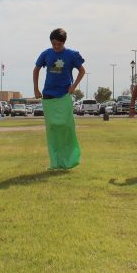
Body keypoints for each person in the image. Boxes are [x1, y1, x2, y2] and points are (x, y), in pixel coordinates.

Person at [33, 28, 85, 170]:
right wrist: (36, 89)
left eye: (59, 44)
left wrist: (73, 86)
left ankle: (69, 160)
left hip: (64, 95)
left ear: (64, 43)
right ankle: (55, 162)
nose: (56, 47)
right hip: (48, 95)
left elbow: (82, 70)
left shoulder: (71, 55)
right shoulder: (46, 54)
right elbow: (36, 69)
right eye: (54, 44)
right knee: (52, 129)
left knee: (66, 127)